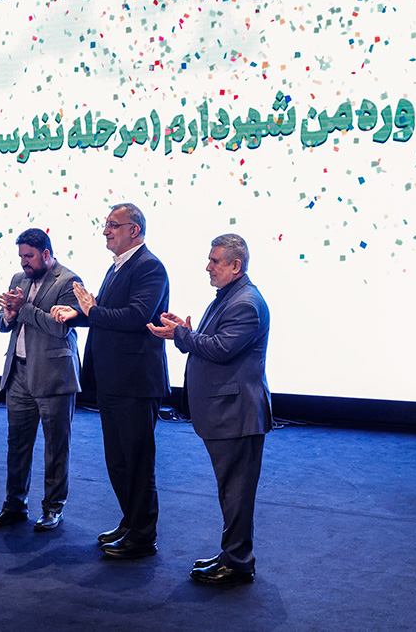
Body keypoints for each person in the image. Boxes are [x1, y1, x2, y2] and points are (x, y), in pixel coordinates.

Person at [148, 233, 271, 585]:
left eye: (215, 261)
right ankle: (232, 554)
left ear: (236, 265)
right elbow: (214, 342)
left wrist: (180, 335)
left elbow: (221, 348)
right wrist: (185, 331)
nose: (208, 267)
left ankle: (238, 562)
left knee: (236, 493)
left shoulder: (245, 303)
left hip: (236, 414)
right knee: (231, 490)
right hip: (228, 412)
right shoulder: (232, 296)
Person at [52, 203, 169, 558]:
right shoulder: (117, 266)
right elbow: (104, 314)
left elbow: (135, 317)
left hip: (135, 382)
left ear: (134, 230)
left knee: (136, 460)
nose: (105, 231)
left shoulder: (149, 267)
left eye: (113, 225)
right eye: (105, 225)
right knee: (118, 460)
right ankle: (130, 522)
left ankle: (143, 536)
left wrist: (91, 310)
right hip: (113, 379)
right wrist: (77, 314)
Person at [0, 228, 83, 532]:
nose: (24, 262)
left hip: (54, 376)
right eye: (21, 256)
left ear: (46, 253)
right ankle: (14, 504)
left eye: (29, 256)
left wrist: (23, 309)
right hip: (18, 372)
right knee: (17, 443)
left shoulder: (69, 281)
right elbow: (4, 322)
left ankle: (53, 508)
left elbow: (60, 327)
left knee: (56, 447)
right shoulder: (19, 279)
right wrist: (8, 315)